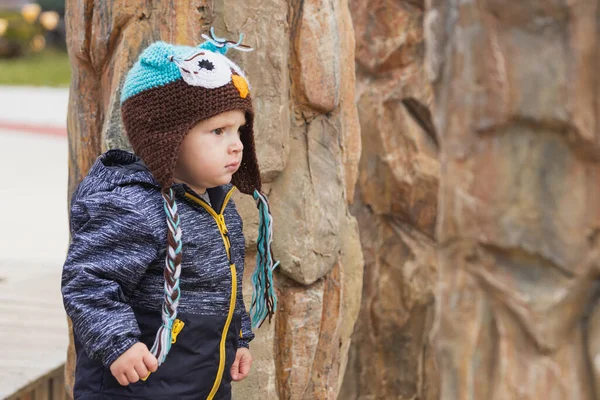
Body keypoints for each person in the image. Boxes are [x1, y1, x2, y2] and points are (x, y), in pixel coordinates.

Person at [61, 28, 278, 400]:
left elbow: (224, 287)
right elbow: (88, 282)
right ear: (167, 138)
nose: (236, 146)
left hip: (199, 383)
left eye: (240, 130)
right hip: (137, 386)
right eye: (218, 131)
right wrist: (118, 343)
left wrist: (239, 338)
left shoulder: (217, 204)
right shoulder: (134, 206)